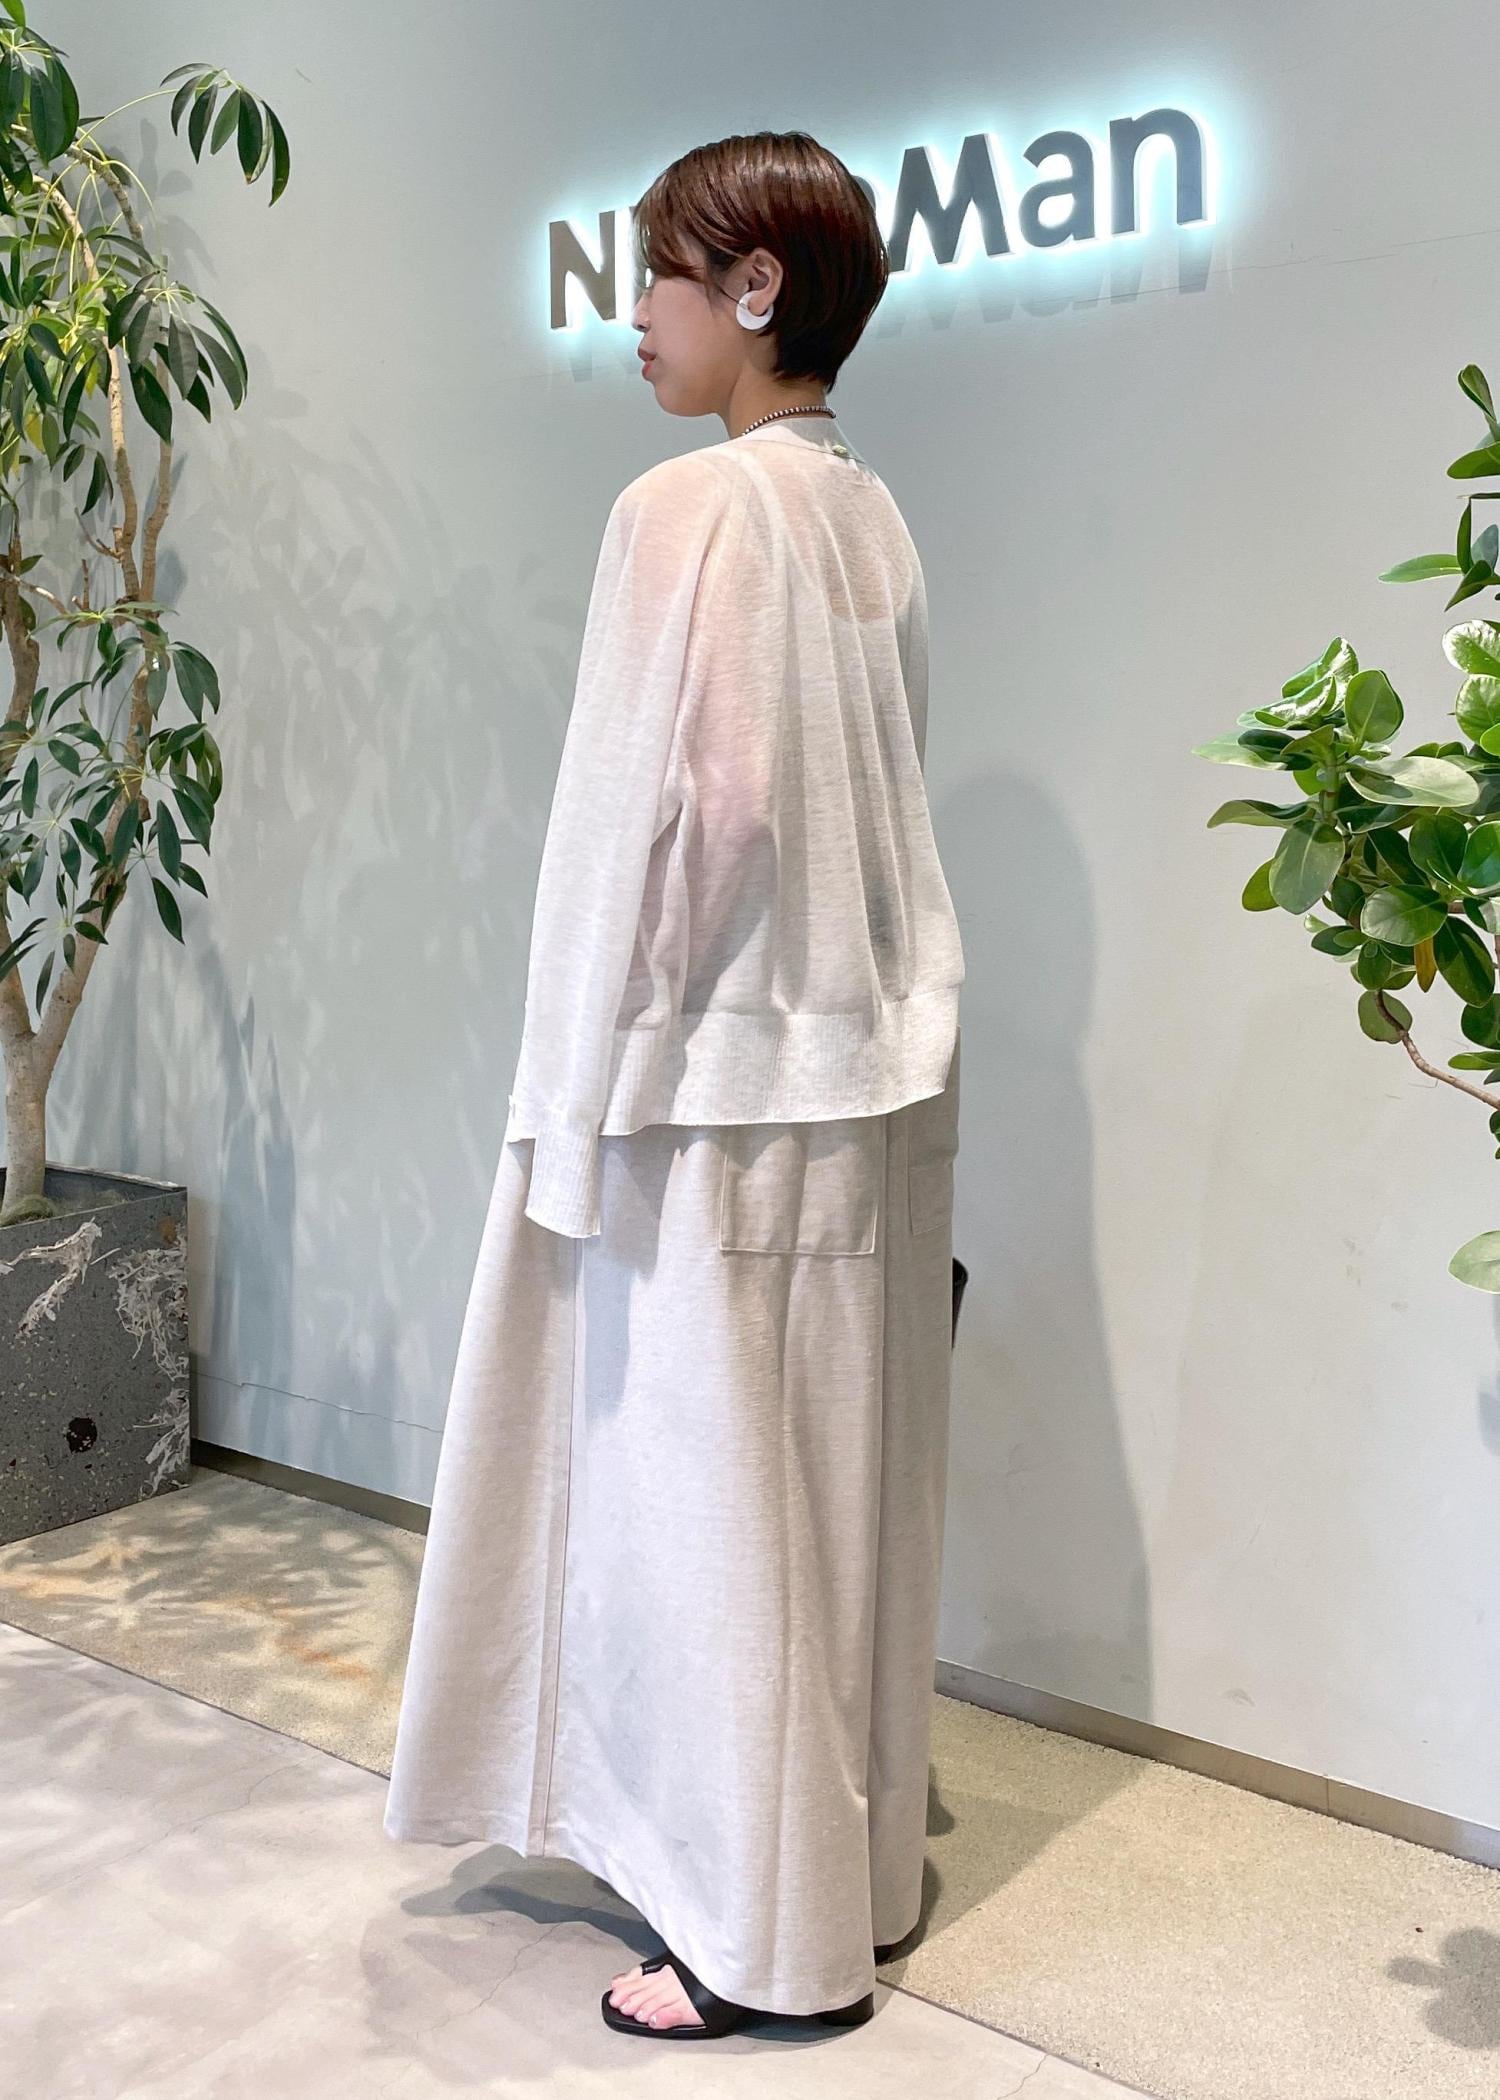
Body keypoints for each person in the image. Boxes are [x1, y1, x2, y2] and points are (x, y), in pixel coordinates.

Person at [382, 129, 965, 2043]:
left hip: (708, 1081)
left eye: (658, 274)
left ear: (756, 289)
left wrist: (605, 1043)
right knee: (833, 1498)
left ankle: (746, 1941)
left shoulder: (688, 508)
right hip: (868, 1070)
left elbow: (716, 809)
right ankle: (842, 1889)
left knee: (707, 1516)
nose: (630, 314)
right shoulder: (874, 515)